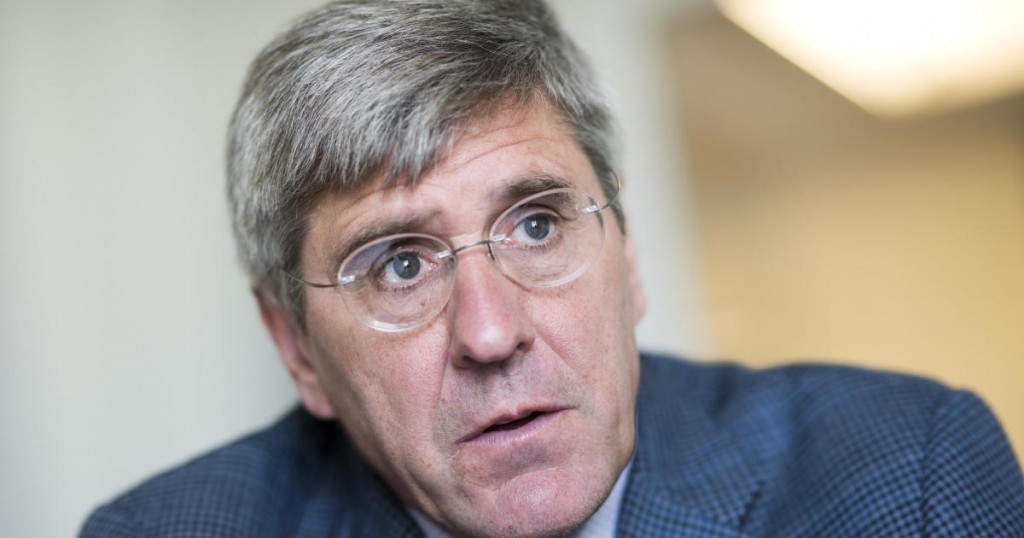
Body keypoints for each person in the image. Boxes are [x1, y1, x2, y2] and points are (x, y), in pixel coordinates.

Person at [81, 0, 1024, 536]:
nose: (491, 333)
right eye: (400, 264)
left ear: (627, 252)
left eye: (535, 225)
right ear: (294, 346)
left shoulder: (908, 471)